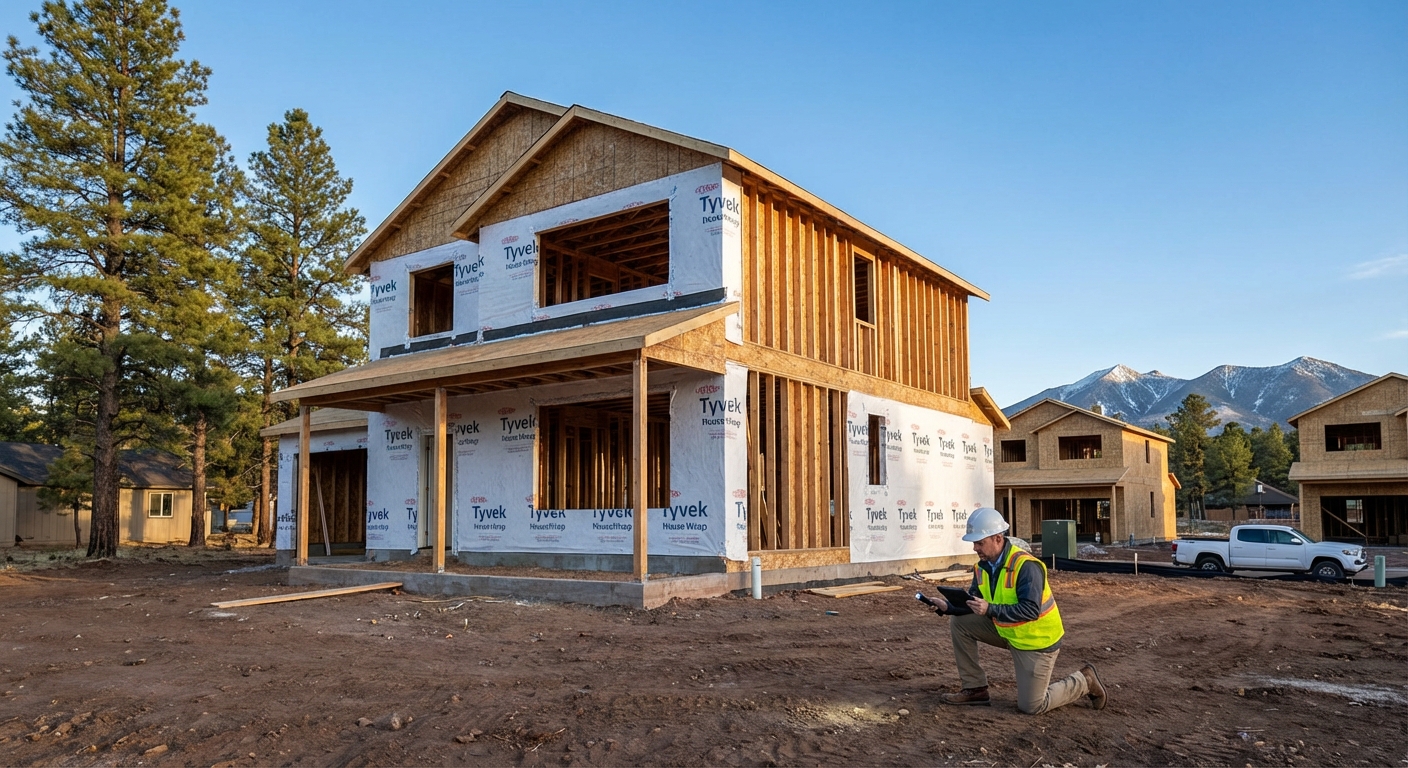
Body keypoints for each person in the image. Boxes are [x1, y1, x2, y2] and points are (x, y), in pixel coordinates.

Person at [927, 507, 1107, 714]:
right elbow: (974, 604)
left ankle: (1085, 680)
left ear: (997, 538)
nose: (975, 548)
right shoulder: (982, 567)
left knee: (1032, 706)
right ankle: (974, 689)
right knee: (959, 623)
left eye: (979, 543)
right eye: (974, 543)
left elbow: (1030, 610)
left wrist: (990, 608)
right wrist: (948, 607)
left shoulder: (1026, 566)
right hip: (1007, 630)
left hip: (1036, 640)